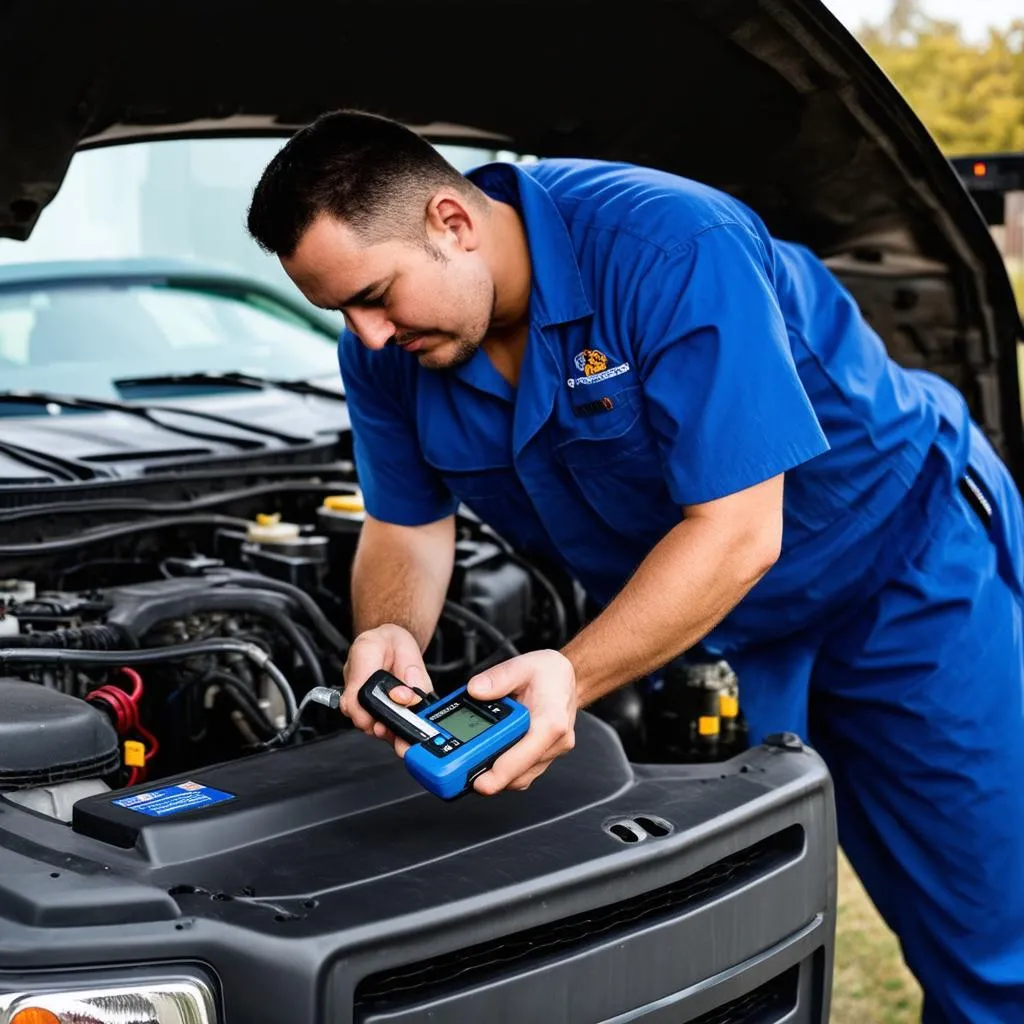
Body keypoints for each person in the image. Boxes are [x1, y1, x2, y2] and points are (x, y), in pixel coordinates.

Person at [247, 109, 1024, 1023]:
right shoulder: (386, 353)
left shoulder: (672, 247)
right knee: (720, 926)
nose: (366, 335)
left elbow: (738, 531)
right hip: (709, 624)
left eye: (375, 295)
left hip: (900, 564)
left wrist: (571, 678)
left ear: (452, 222)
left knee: (990, 928)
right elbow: (407, 526)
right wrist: (389, 630)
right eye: (341, 309)